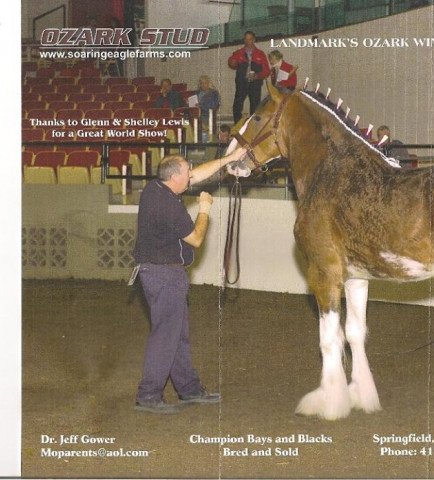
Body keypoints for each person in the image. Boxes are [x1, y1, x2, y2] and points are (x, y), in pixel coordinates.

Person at [132, 148, 247, 414]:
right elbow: (195, 239)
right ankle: (149, 395)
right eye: (187, 173)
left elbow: (199, 173)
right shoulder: (169, 206)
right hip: (165, 276)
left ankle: (189, 388)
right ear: (175, 178)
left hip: (161, 274)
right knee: (166, 336)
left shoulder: (156, 189)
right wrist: (204, 210)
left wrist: (229, 159)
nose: (191, 176)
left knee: (176, 335)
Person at [228, 31, 270, 123]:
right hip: (241, 83)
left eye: (250, 39)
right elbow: (231, 62)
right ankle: (237, 126)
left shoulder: (260, 54)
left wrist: (257, 76)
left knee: (255, 107)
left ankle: (253, 127)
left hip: (255, 84)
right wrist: (231, 62)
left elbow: (267, 71)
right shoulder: (238, 52)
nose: (247, 41)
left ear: (254, 40)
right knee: (237, 105)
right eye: (246, 39)